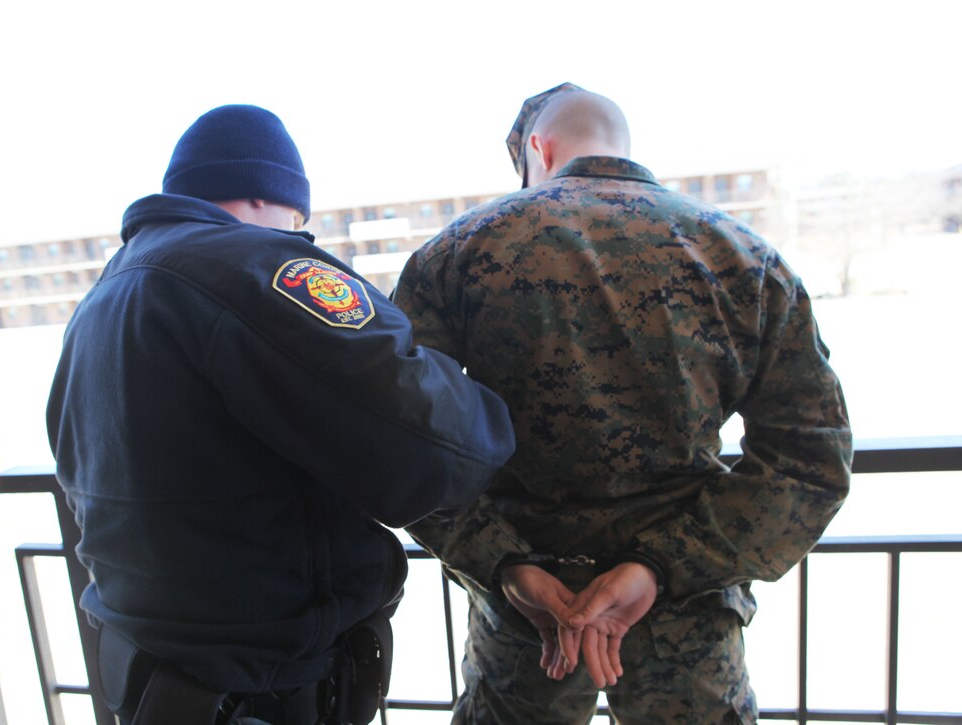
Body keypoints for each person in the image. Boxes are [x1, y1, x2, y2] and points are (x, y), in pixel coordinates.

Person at [392, 83, 852, 724]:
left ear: (537, 150)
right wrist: (667, 565)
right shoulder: (743, 258)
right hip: (687, 626)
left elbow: (403, 443)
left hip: (529, 622)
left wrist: (503, 562)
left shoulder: (458, 253)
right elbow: (811, 460)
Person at [45, 104, 516, 724]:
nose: (301, 237)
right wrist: (483, 397)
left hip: (156, 683)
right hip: (261, 692)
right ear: (270, 199)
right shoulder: (250, 265)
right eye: (299, 222)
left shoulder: (104, 298)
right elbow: (440, 448)